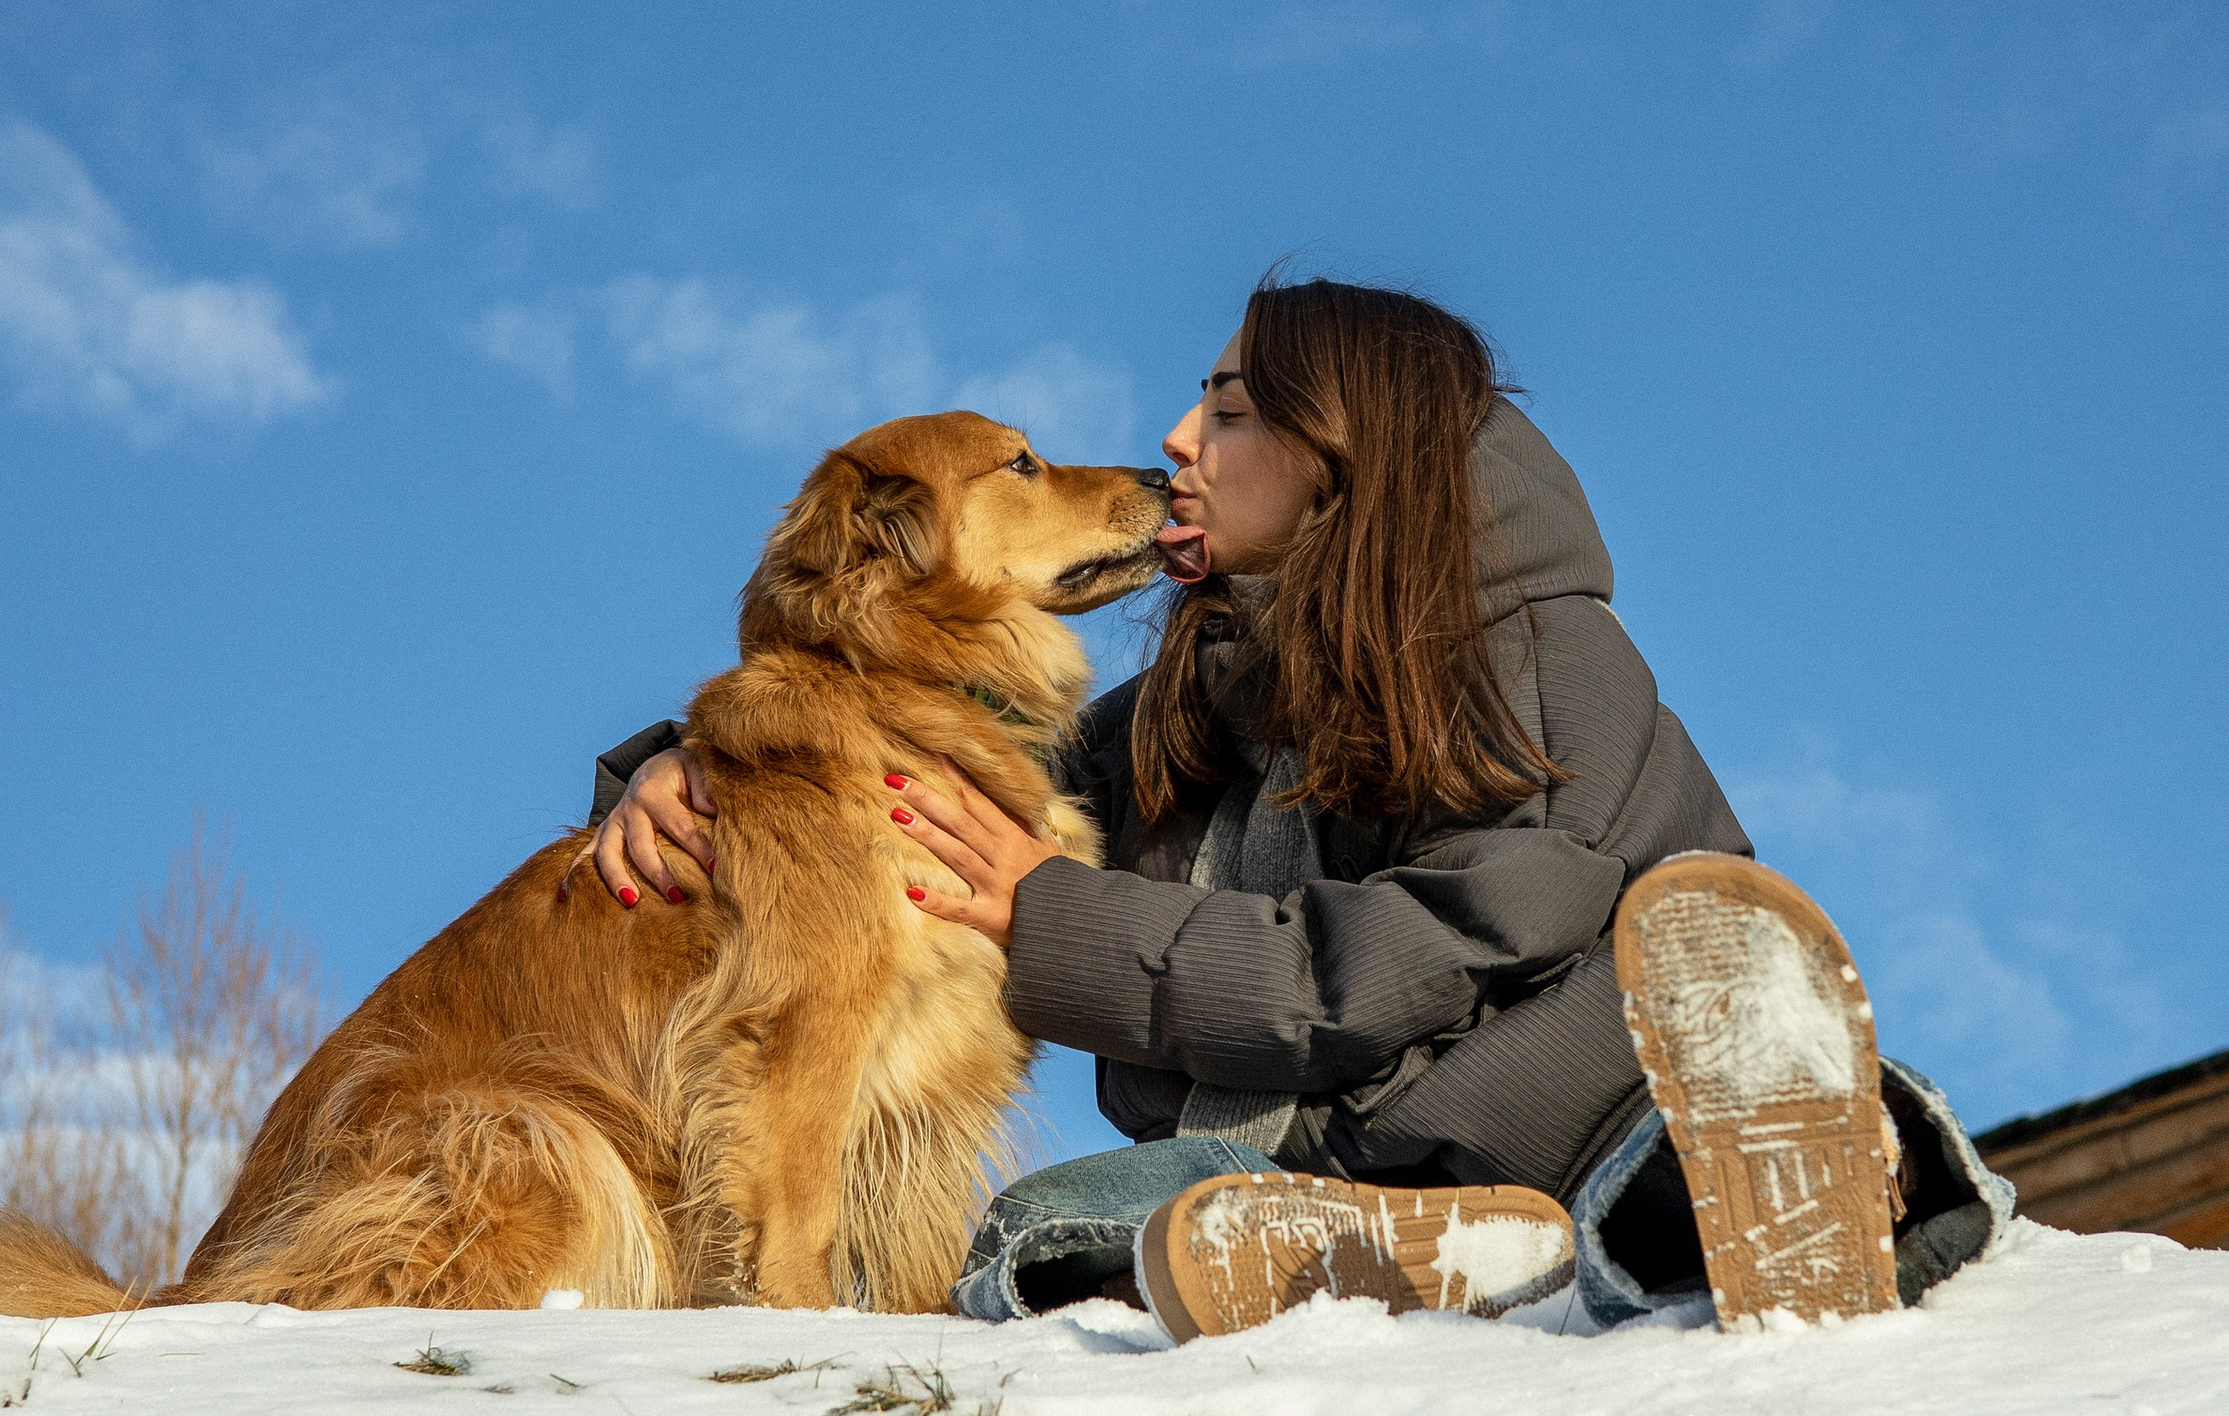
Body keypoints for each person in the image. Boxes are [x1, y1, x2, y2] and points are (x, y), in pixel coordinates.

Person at [589, 276, 2010, 1333]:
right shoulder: (1195, 705)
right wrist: (690, 768)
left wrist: (1052, 915)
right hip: (1328, 1176)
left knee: (1665, 1170)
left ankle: (1833, 1164)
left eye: (1227, 410)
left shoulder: (1532, 652)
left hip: (1583, 1113)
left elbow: (1405, 959)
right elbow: (895, 781)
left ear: (1344, 448)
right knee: (1041, 1236)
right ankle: (1412, 1258)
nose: (1173, 438)